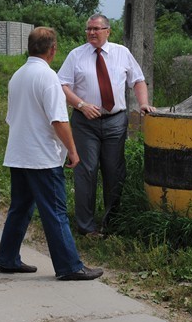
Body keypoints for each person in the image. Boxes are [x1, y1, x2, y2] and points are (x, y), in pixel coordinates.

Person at [0, 26, 103, 281]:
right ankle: (69, 266)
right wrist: (73, 151)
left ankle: (7, 258)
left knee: (20, 208)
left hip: (19, 153)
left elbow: (12, 118)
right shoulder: (48, 77)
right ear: (53, 49)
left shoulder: (18, 75)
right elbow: (58, 120)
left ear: (29, 47)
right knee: (55, 210)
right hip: (42, 157)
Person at [57, 14, 156, 237]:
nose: (91, 33)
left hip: (115, 121)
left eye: (96, 29)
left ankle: (112, 222)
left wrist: (143, 104)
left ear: (108, 31)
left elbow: (138, 80)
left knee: (114, 171)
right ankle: (86, 226)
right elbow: (61, 84)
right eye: (88, 29)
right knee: (86, 170)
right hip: (85, 122)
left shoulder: (122, 53)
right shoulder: (76, 55)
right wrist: (81, 105)